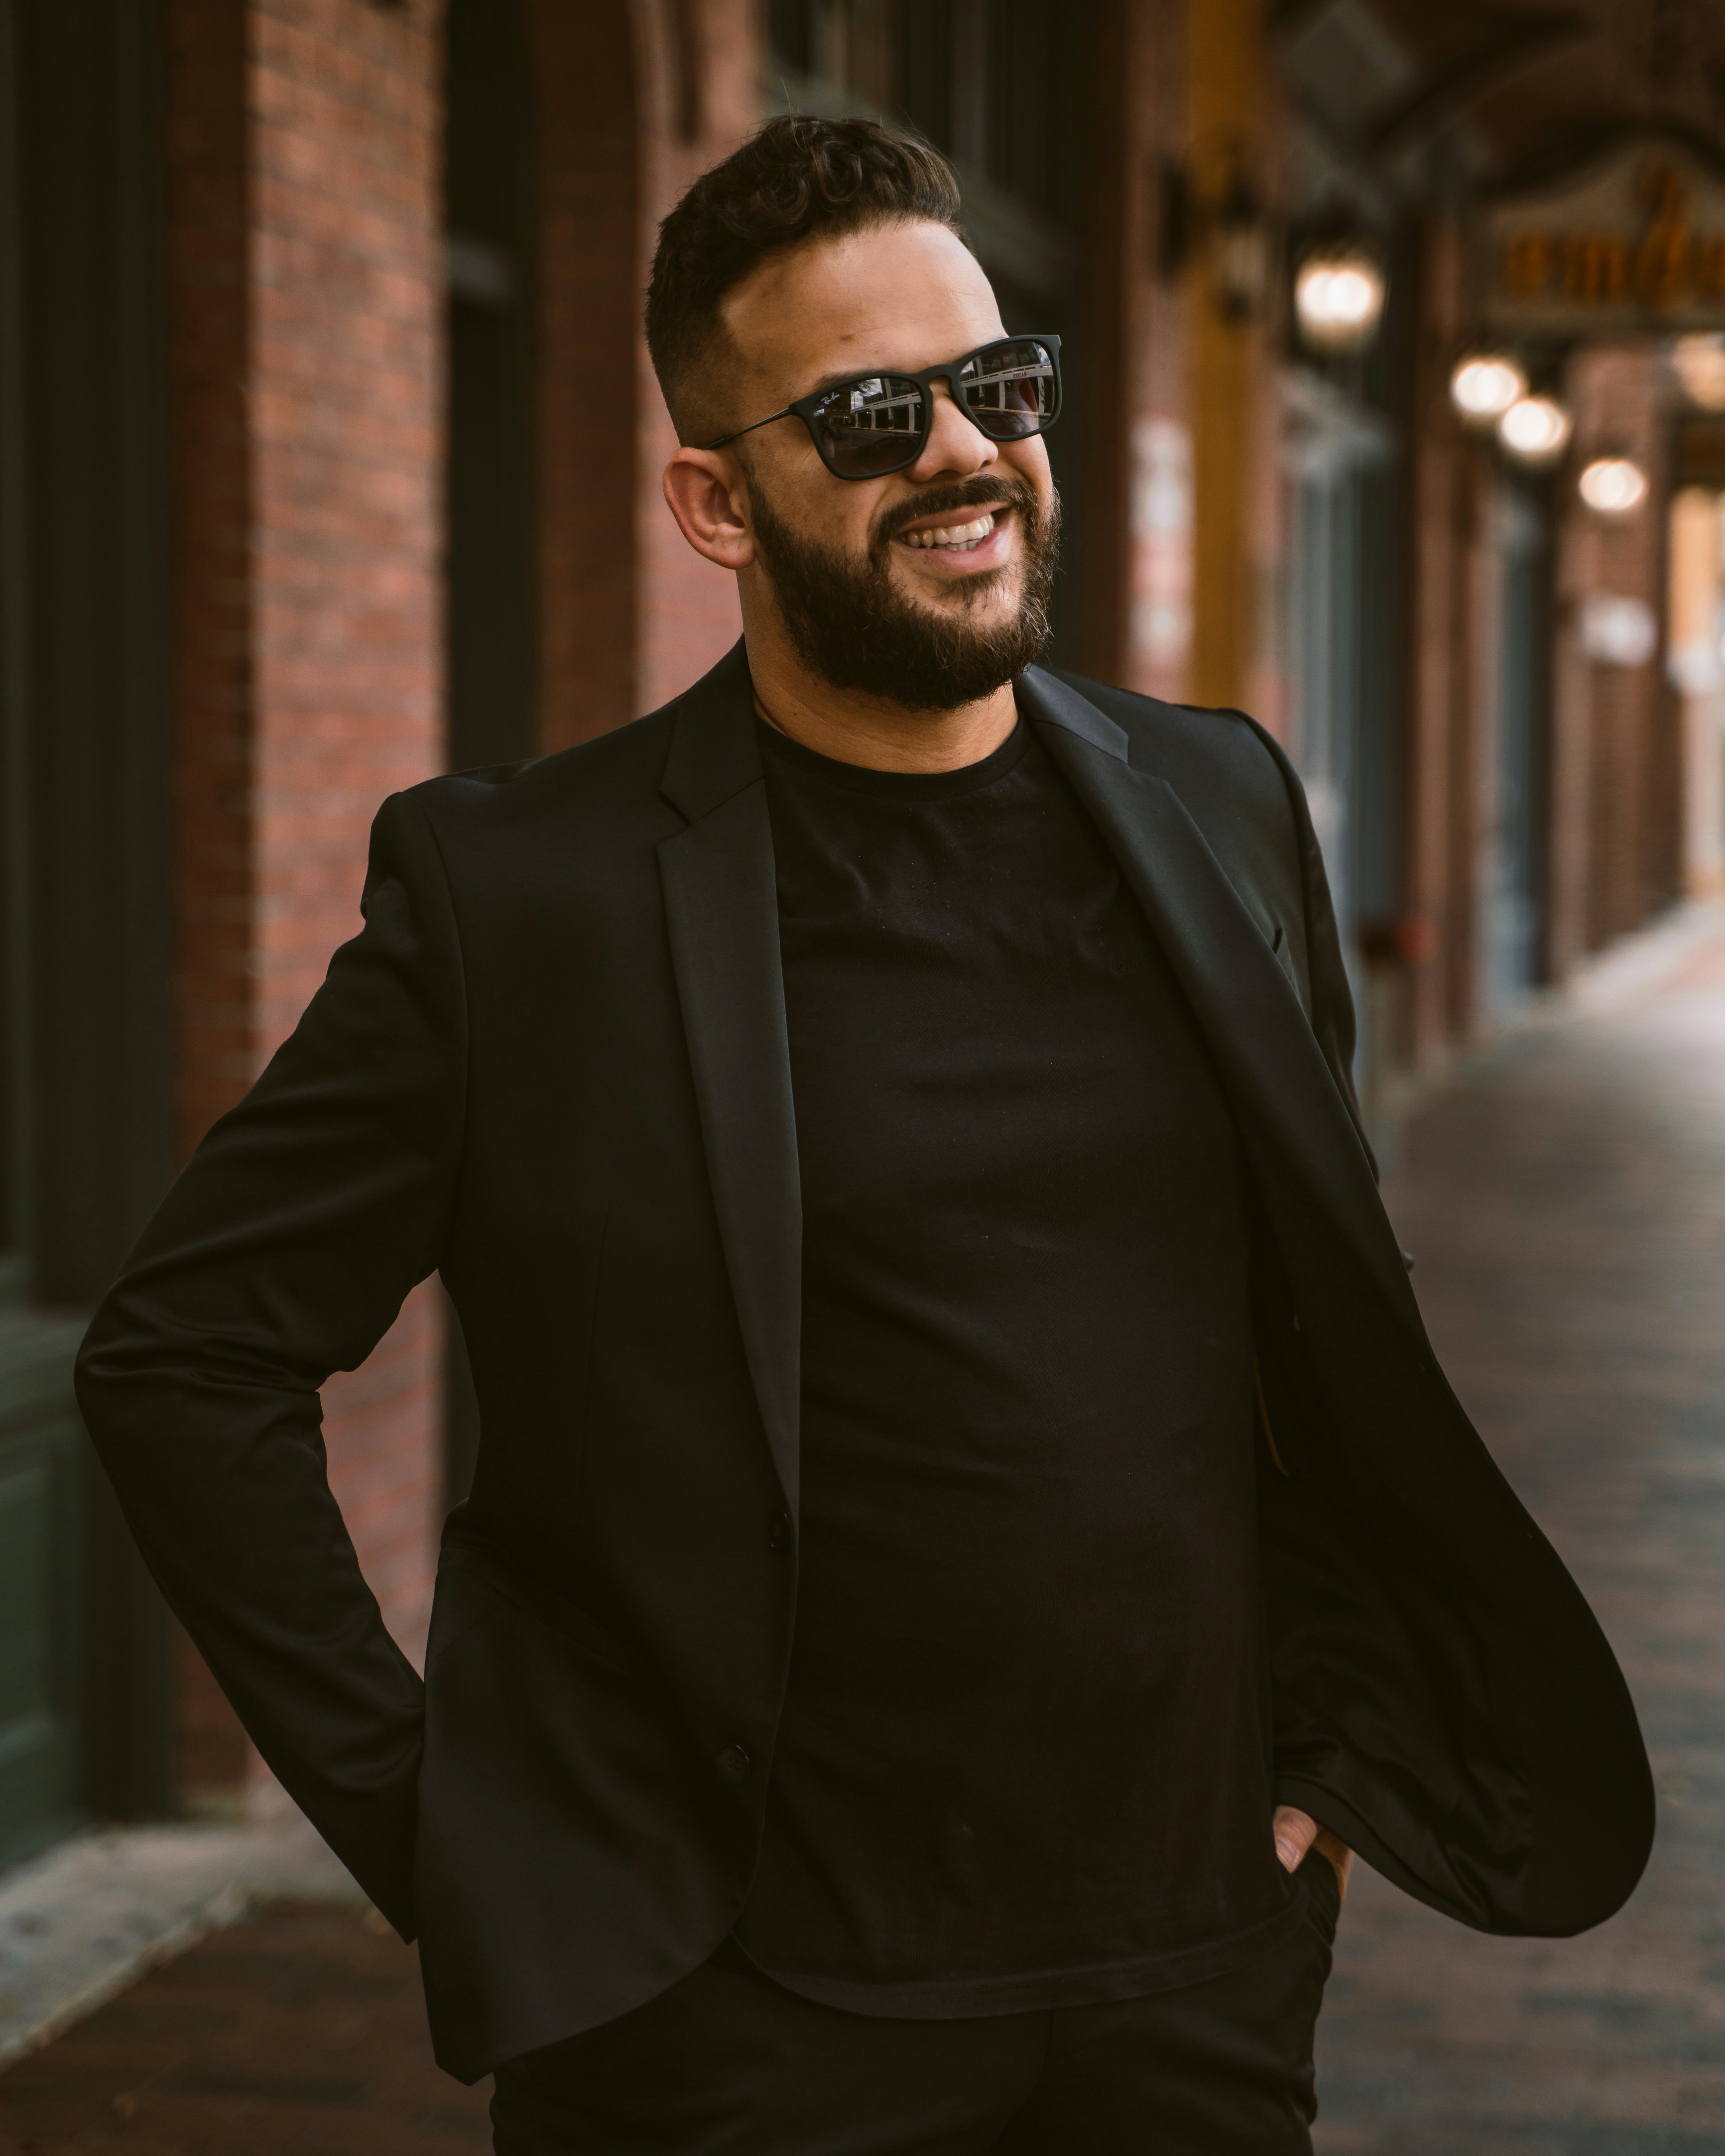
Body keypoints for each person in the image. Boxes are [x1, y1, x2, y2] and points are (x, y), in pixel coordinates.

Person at [77, 116, 1651, 2155]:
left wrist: (1331, 1753)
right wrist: (446, 1826)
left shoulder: (1216, 807)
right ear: (713, 503)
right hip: (732, 2020)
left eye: (995, 387)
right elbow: (184, 1358)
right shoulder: (521, 900)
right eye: (866, 416)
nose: (963, 453)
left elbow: (1306, 1323)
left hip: (1187, 1972)